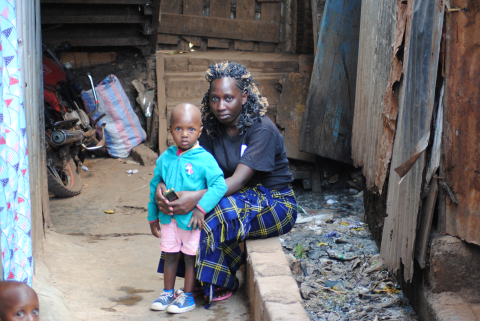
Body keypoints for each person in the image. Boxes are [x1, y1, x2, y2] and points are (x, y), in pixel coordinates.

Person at [154, 62, 297, 306]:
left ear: (243, 97)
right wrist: (164, 190)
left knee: (213, 213)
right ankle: (196, 280)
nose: (220, 106)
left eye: (228, 98)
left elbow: (239, 181)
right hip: (236, 197)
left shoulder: (262, 130)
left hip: (274, 204)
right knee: (187, 215)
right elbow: (190, 171)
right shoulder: (209, 130)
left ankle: (220, 281)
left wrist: (195, 198)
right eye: (214, 98)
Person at [148, 103, 228, 314]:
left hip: (191, 222)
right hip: (168, 220)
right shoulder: (165, 157)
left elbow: (220, 185)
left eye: (191, 129)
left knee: (190, 258)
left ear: (199, 131)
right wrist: (152, 216)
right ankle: (168, 292)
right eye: (178, 129)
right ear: (171, 129)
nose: (185, 135)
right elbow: (154, 185)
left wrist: (201, 208)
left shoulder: (204, 159)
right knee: (170, 254)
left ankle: (188, 296)